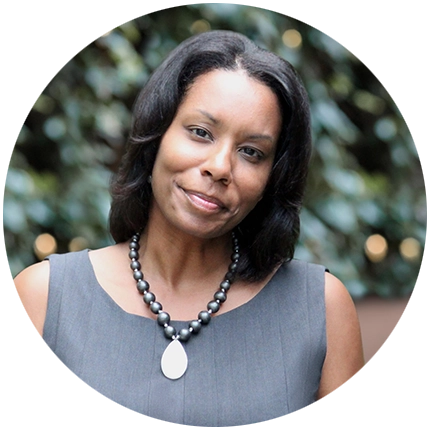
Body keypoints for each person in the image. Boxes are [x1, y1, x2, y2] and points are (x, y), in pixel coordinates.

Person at [10, 30, 366, 426]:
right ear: (157, 135)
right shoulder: (42, 299)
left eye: (251, 152)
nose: (219, 166)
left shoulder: (320, 309)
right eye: (201, 132)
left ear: (273, 178)